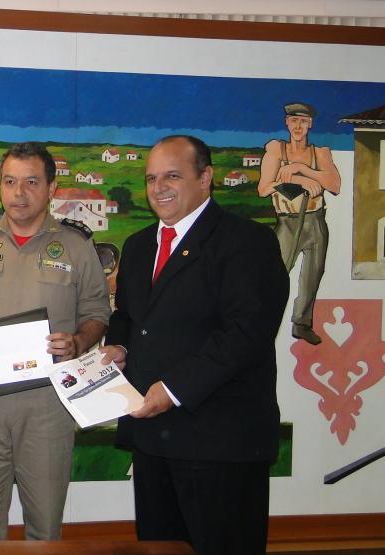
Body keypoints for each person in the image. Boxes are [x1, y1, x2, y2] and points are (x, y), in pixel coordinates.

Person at [100, 135, 289, 554]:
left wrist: (171, 390)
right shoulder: (138, 245)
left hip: (219, 441)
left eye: (172, 175)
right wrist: (118, 347)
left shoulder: (247, 242)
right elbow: (128, 317)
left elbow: (245, 334)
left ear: (206, 178)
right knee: (161, 548)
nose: (158, 187)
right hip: (153, 439)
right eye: (151, 178)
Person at [0, 142, 111, 540]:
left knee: (45, 523)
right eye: (10, 181)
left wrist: (79, 342)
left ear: (51, 188)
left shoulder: (77, 246)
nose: (19, 192)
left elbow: (98, 313)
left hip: (48, 403)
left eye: (31, 182)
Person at [257, 102, 341, 345]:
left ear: (310, 124)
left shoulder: (320, 153)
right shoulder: (276, 150)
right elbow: (263, 188)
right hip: (288, 222)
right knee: (276, 275)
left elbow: (334, 185)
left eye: (303, 121)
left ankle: (302, 324)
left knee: (313, 274)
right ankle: (262, 322)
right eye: (294, 120)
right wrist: (298, 181)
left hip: (315, 220)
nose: (298, 126)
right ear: (287, 123)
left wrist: (303, 169)